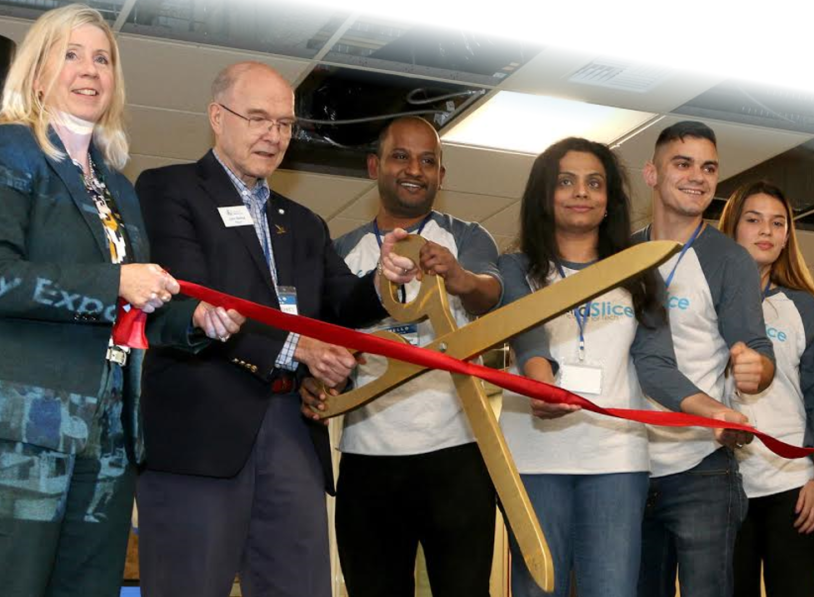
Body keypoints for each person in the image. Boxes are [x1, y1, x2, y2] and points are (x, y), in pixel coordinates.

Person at [134, 61, 410, 597]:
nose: (274, 135)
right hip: (200, 434)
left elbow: (340, 303)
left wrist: (382, 281)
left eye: (284, 124)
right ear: (218, 116)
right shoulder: (168, 191)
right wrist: (299, 347)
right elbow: (194, 300)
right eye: (258, 118)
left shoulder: (303, 223)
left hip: (290, 433)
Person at [0, 5, 241, 596]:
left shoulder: (119, 189)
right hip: (29, 430)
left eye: (102, 58)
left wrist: (197, 321)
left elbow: (138, 310)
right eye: (72, 54)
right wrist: (115, 282)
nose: (90, 70)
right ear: (37, 73)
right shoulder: (11, 150)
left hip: (110, 435)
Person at [499, 137, 751, 597]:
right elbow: (526, 331)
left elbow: (655, 364)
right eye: (566, 182)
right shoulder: (515, 268)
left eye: (594, 183)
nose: (581, 192)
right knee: (537, 590)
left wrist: (712, 411)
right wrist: (539, 380)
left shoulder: (637, 272)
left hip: (615, 462)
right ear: (543, 194)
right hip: (534, 459)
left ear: (610, 198)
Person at [297, 115, 502, 597]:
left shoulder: (468, 238)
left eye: (428, 160)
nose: (415, 169)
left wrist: (458, 277)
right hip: (370, 459)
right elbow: (330, 339)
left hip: (458, 455)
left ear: (442, 176)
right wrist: (320, 381)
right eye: (401, 156)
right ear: (374, 166)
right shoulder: (342, 251)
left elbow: (492, 296)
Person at [633, 121, 775, 597]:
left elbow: (757, 350)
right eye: (683, 163)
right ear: (651, 174)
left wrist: (758, 369)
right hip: (626, 465)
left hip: (702, 467)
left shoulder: (728, 258)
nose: (698, 176)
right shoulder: (620, 253)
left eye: (709, 167)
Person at [719, 181, 814, 597]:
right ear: (732, 229)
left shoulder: (802, 306)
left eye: (777, 223)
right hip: (726, 487)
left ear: (786, 237)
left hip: (794, 488)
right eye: (753, 220)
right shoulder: (701, 299)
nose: (766, 230)